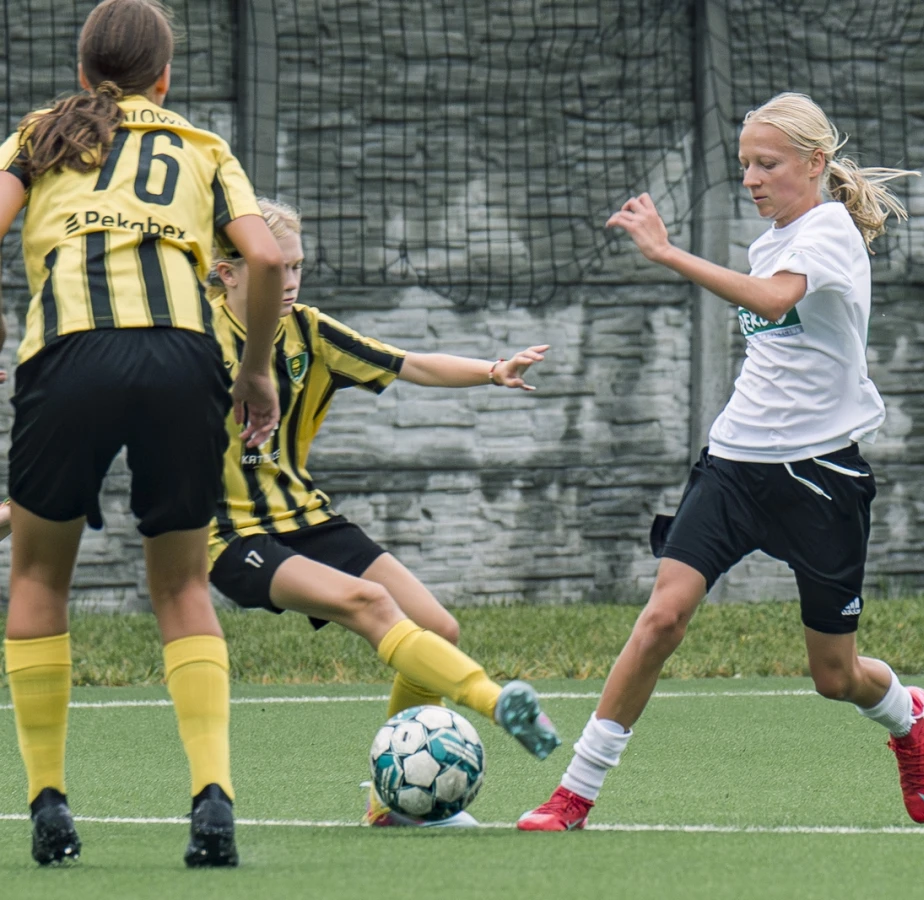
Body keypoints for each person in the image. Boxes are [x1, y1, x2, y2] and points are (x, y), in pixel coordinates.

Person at [519, 92, 924, 831]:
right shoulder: (768, 240)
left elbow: (775, 302)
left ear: (814, 163)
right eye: (745, 164)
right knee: (662, 619)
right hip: (734, 463)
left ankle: (907, 716)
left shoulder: (829, 231)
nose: (750, 179)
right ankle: (574, 794)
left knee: (834, 676)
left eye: (767, 164)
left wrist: (667, 252)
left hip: (821, 477)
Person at [0, 0, 283, 867]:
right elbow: (267, 257)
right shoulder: (202, 146)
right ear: (164, 78)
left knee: (39, 576)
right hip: (181, 358)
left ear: (83, 71)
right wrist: (256, 370)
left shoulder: (40, 135)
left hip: (68, 357)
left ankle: (49, 803)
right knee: (182, 583)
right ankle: (213, 801)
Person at [203, 198, 560, 826]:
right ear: (228, 273)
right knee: (371, 605)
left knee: (438, 627)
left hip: (307, 519)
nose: (289, 281)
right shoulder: (190, 338)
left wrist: (492, 370)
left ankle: (388, 804)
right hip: (230, 536)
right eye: (275, 269)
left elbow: (409, 363)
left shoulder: (310, 332)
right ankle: (494, 700)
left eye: (297, 267)